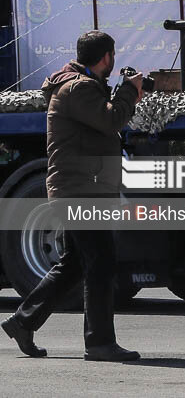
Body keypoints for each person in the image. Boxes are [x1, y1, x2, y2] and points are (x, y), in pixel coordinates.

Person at [1, 31, 147, 362]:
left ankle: (23, 322)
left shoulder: (78, 86)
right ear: (106, 57)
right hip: (82, 191)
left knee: (74, 263)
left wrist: (124, 91)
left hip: (81, 188)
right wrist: (128, 90)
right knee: (101, 263)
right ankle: (99, 343)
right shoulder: (78, 89)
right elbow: (111, 121)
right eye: (113, 56)